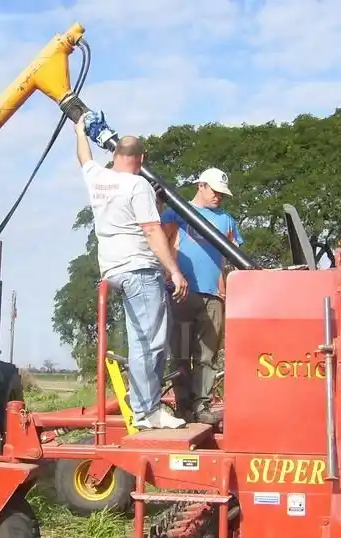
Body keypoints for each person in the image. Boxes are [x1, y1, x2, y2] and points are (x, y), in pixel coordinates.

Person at [75, 112, 187, 429]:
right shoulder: (138, 185)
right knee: (150, 342)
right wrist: (174, 271)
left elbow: (84, 158)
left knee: (141, 338)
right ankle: (147, 410)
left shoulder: (98, 178)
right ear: (142, 158)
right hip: (139, 268)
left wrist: (79, 131)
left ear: (114, 154)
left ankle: (143, 407)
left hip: (113, 270)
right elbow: (152, 231)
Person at [160, 168, 243, 425]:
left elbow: (232, 255)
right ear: (201, 186)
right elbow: (158, 241)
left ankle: (202, 405)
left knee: (208, 354)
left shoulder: (226, 220)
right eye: (215, 191)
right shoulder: (177, 211)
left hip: (213, 295)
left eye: (222, 194)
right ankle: (183, 407)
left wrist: (225, 288)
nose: (219, 197)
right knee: (182, 351)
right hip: (181, 292)